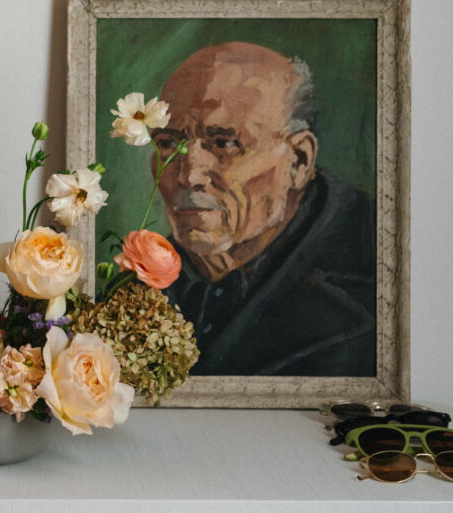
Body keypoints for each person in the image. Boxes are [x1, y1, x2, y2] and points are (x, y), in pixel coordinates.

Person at [151, 41, 376, 376]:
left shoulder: (373, 272)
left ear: (299, 162)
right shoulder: (138, 285)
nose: (189, 174)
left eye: (224, 143)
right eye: (168, 143)